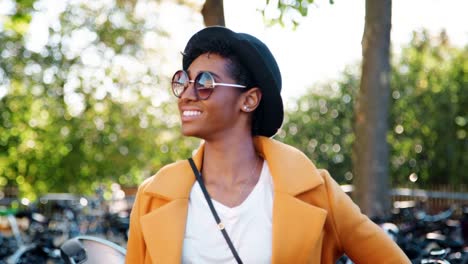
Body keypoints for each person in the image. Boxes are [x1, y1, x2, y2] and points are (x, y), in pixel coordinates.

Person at [126, 26, 410, 264]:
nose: (187, 94)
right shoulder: (153, 196)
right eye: (184, 81)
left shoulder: (315, 191)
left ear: (249, 100)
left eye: (205, 82)